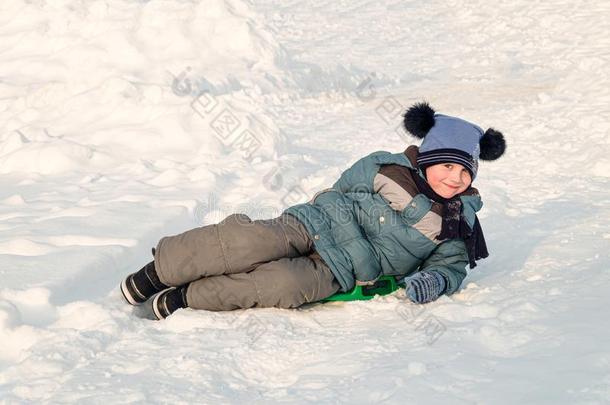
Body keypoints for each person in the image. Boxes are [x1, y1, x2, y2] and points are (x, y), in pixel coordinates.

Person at [120, 102, 506, 319]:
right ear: (426, 159)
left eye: (463, 171)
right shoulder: (386, 167)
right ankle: (161, 269)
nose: (454, 179)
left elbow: (452, 265)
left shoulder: (457, 223)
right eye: (447, 166)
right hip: (312, 223)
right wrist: (332, 209)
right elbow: (344, 185)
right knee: (246, 241)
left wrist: (436, 280)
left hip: (342, 271)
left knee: (284, 285)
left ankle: (188, 298)